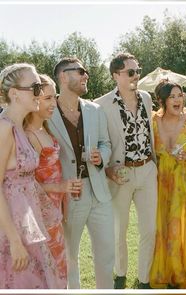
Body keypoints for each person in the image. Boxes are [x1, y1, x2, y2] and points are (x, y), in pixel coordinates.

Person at [49, 57, 114, 289]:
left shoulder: (95, 109)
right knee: (70, 256)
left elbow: (106, 143)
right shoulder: (47, 112)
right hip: (69, 194)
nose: (86, 75)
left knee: (106, 254)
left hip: (99, 192)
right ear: (64, 76)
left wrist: (102, 157)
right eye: (81, 71)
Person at [95, 53, 157, 289]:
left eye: (138, 70)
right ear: (115, 75)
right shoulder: (101, 105)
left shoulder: (147, 98)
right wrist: (108, 168)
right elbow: (101, 140)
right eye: (130, 72)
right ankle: (120, 274)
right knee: (119, 229)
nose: (136, 75)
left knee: (149, 229)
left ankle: (144, 279)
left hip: (148, 169)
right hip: (121, 173)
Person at [0, 63, 62, 288]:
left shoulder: (19, 128)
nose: (41, 92)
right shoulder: (4, 128)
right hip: (10, 229)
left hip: (29, 219)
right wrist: (15, 242)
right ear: (14, 94)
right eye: (35, 87)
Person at [24, 74, 83, 288]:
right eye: (48, 98)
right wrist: (60, 186)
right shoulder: (28, 135)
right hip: (39, 217)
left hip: (55, 211)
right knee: (45, 271)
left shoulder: (45, 128)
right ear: (34, 100)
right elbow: (23, 185)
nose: (53, 103)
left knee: (59, 267)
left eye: (54, 97)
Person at [149, 80, 186, 289]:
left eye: (180, 95)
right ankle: (166, 271)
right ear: (162, 100)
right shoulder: (153, 121)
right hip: (159, 179)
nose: (178, 99)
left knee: (178, 225)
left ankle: (180, 272)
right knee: (160, 224)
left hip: (182, 179)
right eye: (172, 96)